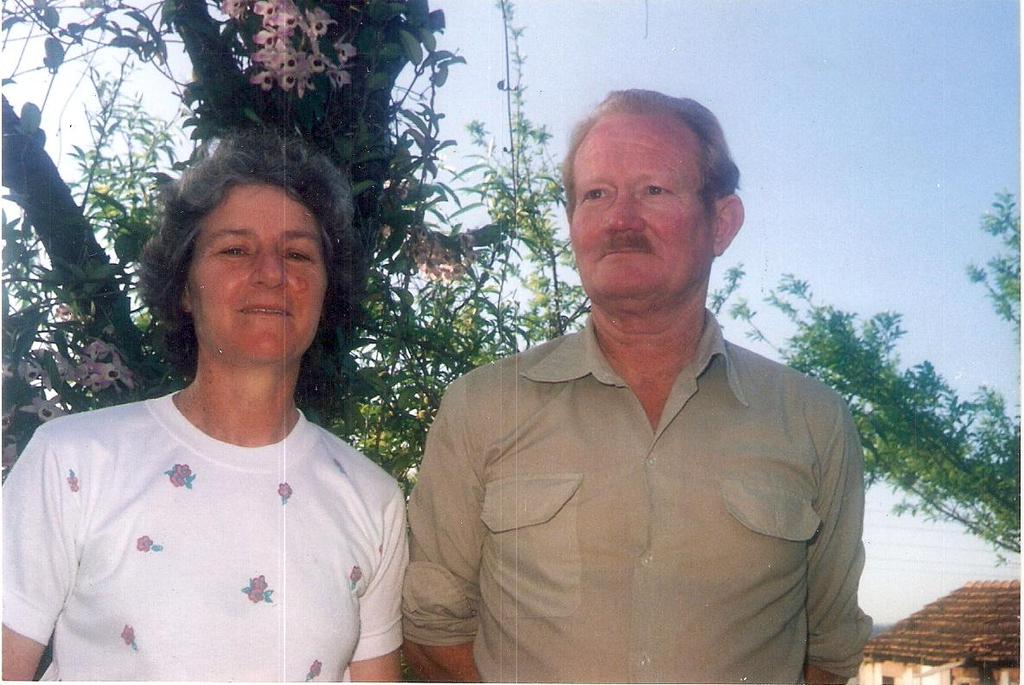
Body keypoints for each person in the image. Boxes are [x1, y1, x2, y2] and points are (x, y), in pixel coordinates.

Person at [401, 90, 872, 683]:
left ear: (721, 222)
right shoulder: (482, 407)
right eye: (596, 194)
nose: (620, 220)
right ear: (572, 223)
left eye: (653, 191)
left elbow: (828, 653)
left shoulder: (813, 421)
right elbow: (432, 632)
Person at [2, 133, 407, 681]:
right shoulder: (72, 461)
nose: (271, 273)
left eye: (297, 253)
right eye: (236, 249)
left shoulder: (373, 500)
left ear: (327, 291)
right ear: (184, 288)